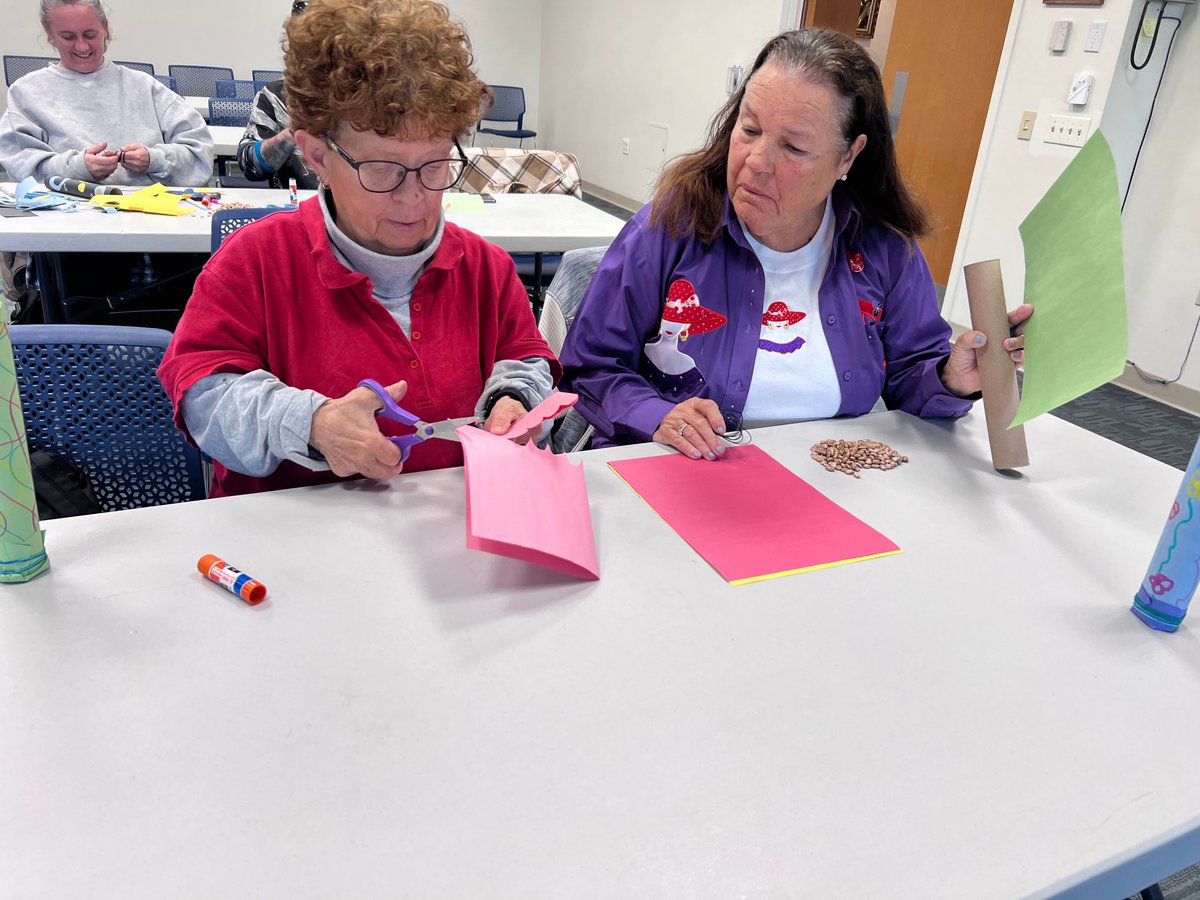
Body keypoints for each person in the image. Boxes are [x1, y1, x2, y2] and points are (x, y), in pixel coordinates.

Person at [560, 28, 1032, 461]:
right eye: (749, 129)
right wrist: (656, 415)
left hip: (828, 480)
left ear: (849, 155)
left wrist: (952, 378)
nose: (756, 162)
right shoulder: (670, 228)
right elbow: (591, 366)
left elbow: (912, 374)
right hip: (682, 470)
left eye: (794, 148)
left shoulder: (884, 247)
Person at [158, 0, 558, 497]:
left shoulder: (485, 267)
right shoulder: (254, 262)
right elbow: (203, 397)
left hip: (454, 534)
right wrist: (310, 422)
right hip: (295, 542)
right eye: (382, 170)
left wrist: (516, 397)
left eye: (434, 165)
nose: (413, 199)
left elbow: (525, 356)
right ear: (317, 156)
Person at [0, 0, 213, 187]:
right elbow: (20, 167)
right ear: (49, 34)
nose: (82, 46)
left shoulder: (144, 87)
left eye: (90, 34)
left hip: (149, 216)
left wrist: (154, 159)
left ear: (105, 28)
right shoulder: (26, 93)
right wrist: (75, 168)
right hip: (63, 219)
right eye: (68, 36)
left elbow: (199, 153)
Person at [234, 0, 319, 190]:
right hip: (297, 207)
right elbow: (250, 165)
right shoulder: (274, 96)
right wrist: (292, 133)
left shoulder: (371, 99)